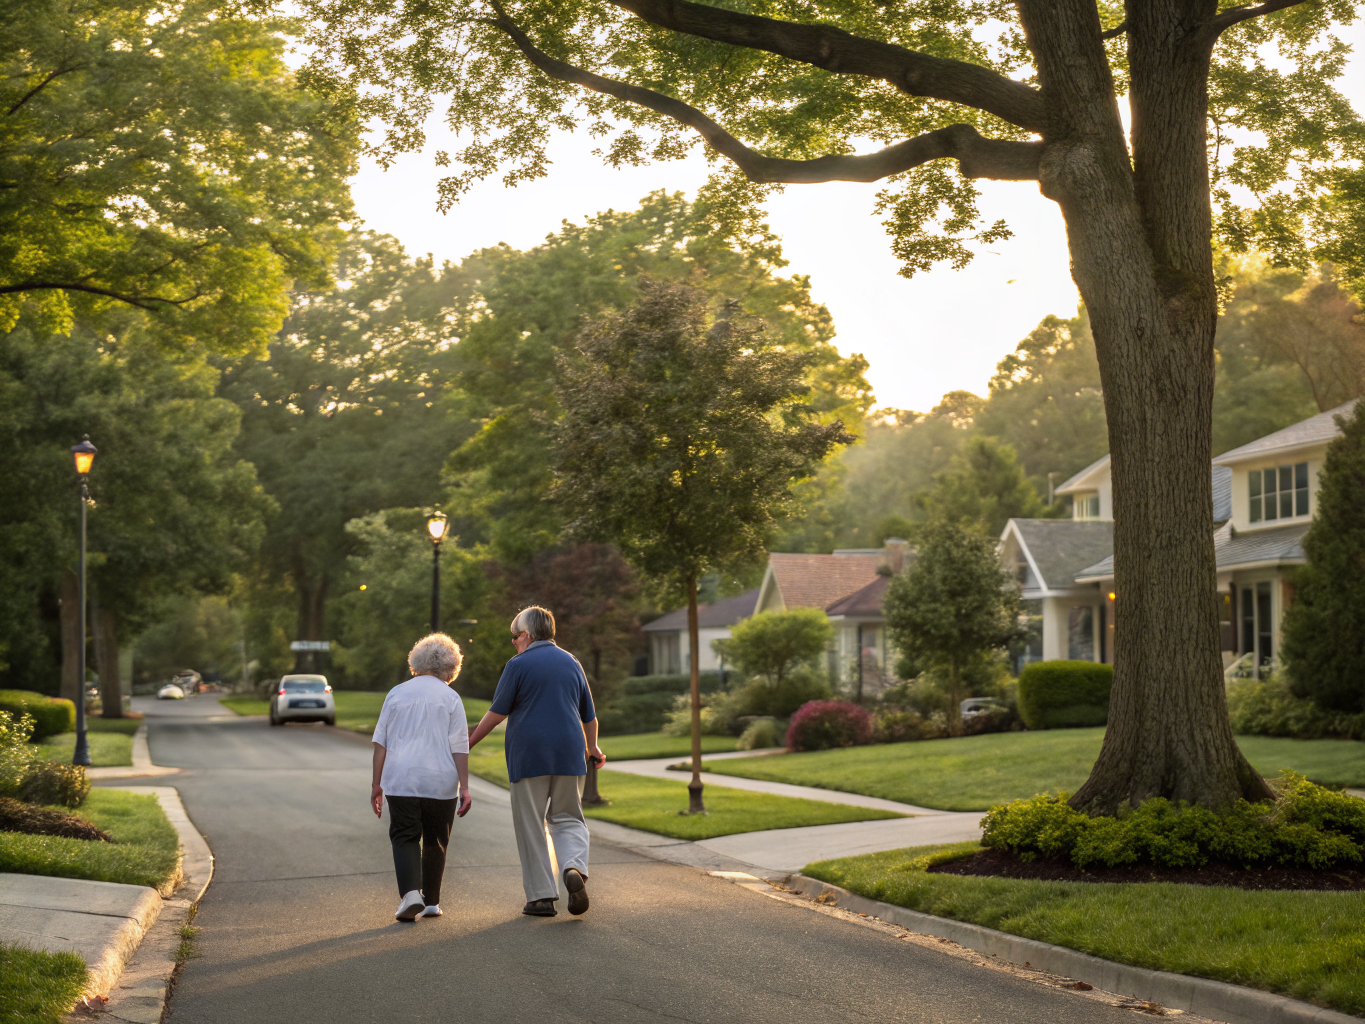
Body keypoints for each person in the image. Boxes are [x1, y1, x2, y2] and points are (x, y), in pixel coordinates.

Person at [468, 606, 605, 918]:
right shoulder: (572, 662)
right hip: (571, 751)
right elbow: (589, 715)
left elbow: (498, 711)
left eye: (515, 636)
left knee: (531, 822)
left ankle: (541, 897)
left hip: (529, 753)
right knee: (569, 816)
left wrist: (469, 742)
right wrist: (593, 747)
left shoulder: (518, 664)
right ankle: (573, 867)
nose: (513, 642)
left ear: (526, 635)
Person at [371, 633, 472, 922]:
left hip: (401, 778)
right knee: (436, 838)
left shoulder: (396, 693)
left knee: (404, 835)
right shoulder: (452, 698)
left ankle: (410, 894)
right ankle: (431, 902)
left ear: (416, 660)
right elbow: (460, 746)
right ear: (452, 666)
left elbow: (381, 744)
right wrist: (465, 787)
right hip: (441, 780)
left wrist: (376, 784)